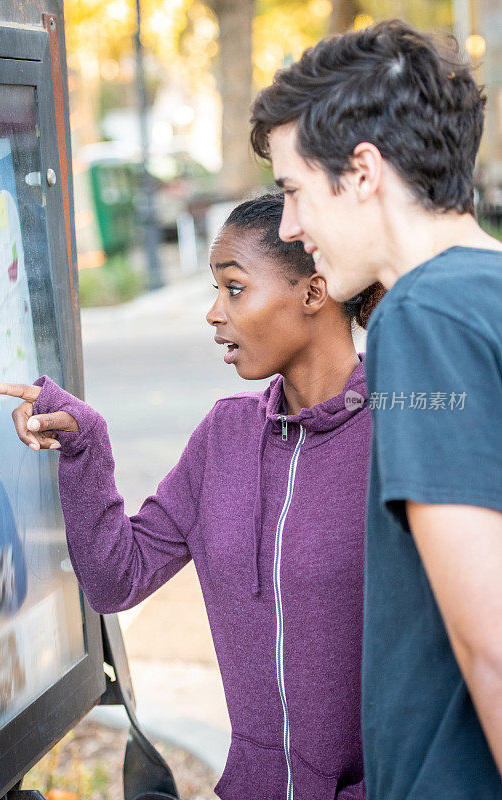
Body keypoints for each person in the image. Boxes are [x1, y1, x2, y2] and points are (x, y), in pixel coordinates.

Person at [0, 194, 384, 800]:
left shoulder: (400, 430)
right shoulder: (225, 437)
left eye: (234, 288)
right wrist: (85, 445)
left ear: (313, 291)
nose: (213, 313)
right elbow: (116, 579)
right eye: (215, 289)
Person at [249, 19, 502, 800]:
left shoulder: (420, 317)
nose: (289, 229)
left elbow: (489, 636)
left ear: (361, 171)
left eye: (293, 191)